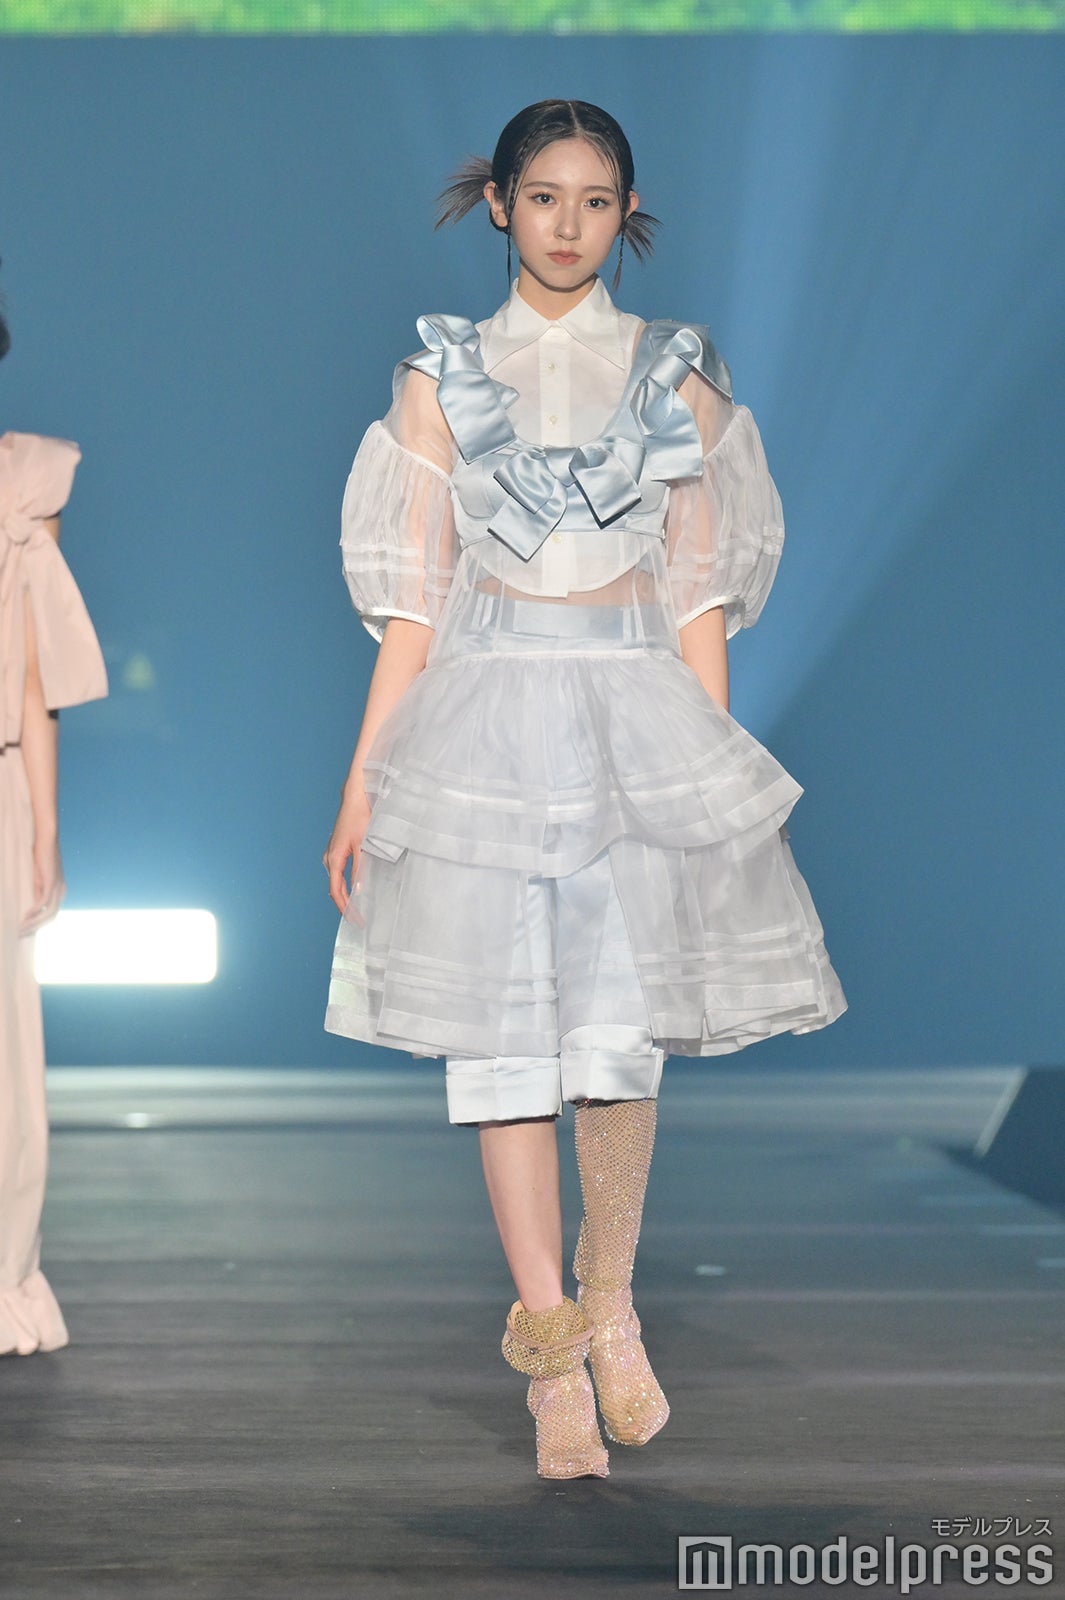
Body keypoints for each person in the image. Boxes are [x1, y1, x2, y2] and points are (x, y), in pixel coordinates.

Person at [323, 100, 846, 1479]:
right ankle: (552, 1353)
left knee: (618, 1036)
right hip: (481, 720)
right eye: (544, 196)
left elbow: (700, 597)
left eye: (596, 200)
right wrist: (363, 789)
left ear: (628, 214)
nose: (568, 224)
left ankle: (610, 1302)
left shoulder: (676, 375)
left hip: (631, 714)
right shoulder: (440, 374)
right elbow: (414, 609)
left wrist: (708, 773)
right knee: (499, 1041)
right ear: (499, 203)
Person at [0, 279, 108, 1356]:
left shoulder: (24, 479)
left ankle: (2, 1278)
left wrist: (43, 826)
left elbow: (34, 674)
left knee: (2, 1054)